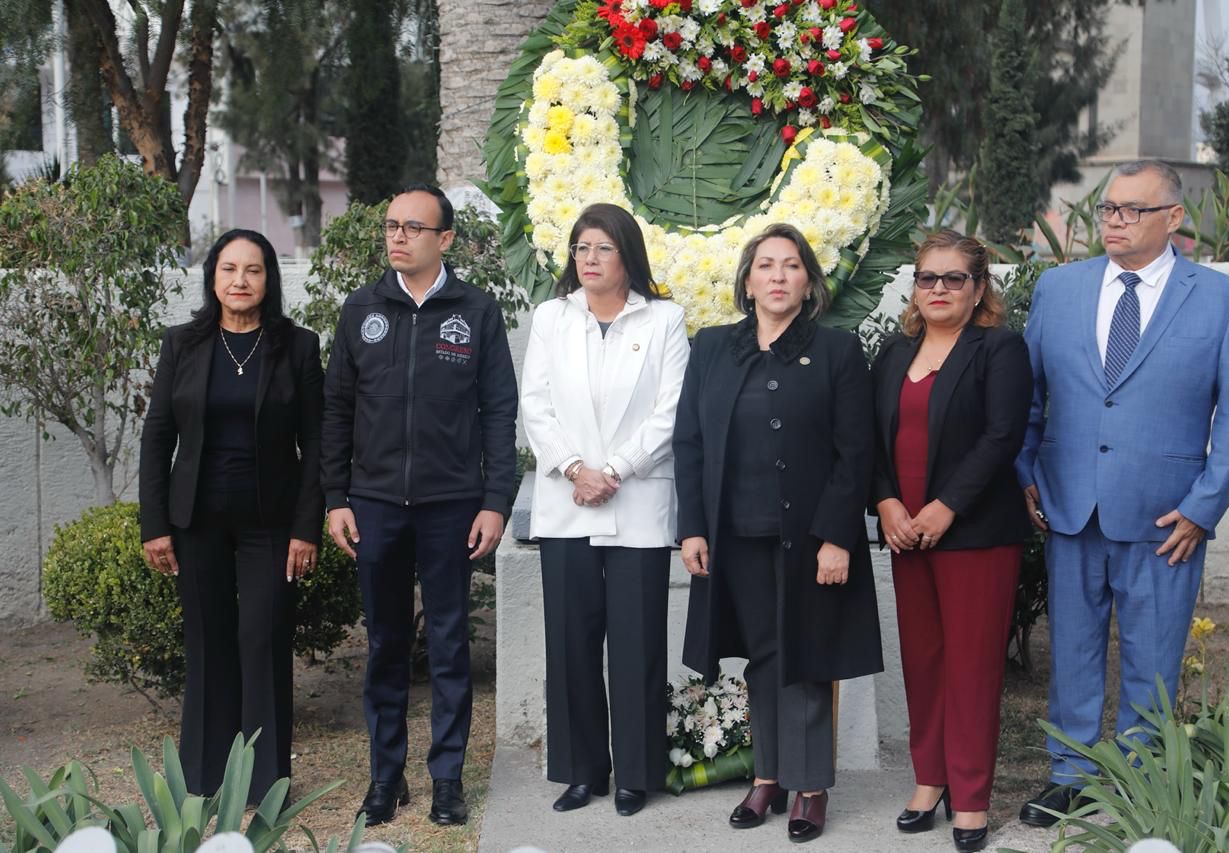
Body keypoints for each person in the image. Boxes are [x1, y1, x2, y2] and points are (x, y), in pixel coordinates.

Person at [1016, 160, 1229, 826]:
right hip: (1069, 504)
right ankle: (1068, 774)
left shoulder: (1221, 299)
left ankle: (1141, 781)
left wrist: (1205, 506)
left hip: (1166, 516)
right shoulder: (1059, 289)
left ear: (1174, 219)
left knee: (1153, 655)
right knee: (1071, 648)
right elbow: (1028, 395)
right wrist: (1026, 470)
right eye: (1108, 209)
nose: (1115, 220)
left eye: (1132, 209)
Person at [675, 223, 881, 844]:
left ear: (809, 281)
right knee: (761, 659)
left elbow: (856, 453)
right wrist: (692, 528)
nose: (778, 277)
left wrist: (840, 537)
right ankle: (768, 775)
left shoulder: (839, 351)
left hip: (812, 538)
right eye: (766, 265)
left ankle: (810, 787)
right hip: (735, 534)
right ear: (747, 280)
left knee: (808, 658)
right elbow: (690, 444)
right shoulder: (711, 347)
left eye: (791, 266)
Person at [321, 184, 518, 827]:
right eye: (390, 226)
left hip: (451, 506)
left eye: (412, 227)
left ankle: (447, 779)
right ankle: (386, 779)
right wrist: (334, 499)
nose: (397, 237)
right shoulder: (360, 311)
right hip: (375, 504)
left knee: (449, 641)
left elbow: (498, 413)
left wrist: (495, 501)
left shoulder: (477, 312)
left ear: (446, 239)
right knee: (383, 643)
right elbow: (337, 411)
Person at [139, 229, 323, 803]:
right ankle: (203, 779)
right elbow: (157, 437)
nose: (240, 281)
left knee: (262, 638)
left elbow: (318, 446)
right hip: (195, 522)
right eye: (228, 269)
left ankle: (265, 784)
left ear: (269, 279)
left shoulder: (297, 346)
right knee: (208, 641)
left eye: (253, 270)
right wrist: (155, 525)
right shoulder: (183, 344)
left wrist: (304, 527)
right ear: (212, 278)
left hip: (272, 523)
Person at [521, 203, 689, 817]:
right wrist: (574, 469)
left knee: (637, 643)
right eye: (580, 249)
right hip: (567, 502)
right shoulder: (551, 318)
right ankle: (583, 769)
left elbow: (669, 411)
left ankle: (636, 774)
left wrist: (615, 470)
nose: (589, 260)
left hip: (637, 500)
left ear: (627, 256)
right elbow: (534, 405)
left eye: (602, 249)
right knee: (571, 642)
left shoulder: (665, 319)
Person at [870, 230, 1032, 852]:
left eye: (953, 279)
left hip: (975, 537)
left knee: (970, 667)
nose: (937, 289)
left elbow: (1001, 437)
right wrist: (886, 502)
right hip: (906, 534)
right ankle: (929, 779)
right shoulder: (893, 352)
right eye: (927, 278)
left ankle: (970, 796)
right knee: (924, 661)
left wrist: (945, 508)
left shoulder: (999, 349)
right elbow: (869, 438)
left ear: (979, 288)